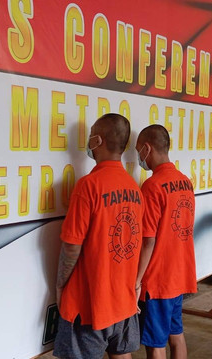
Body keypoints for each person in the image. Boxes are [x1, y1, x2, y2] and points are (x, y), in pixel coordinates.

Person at [54, 113, 144, 359]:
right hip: (123, 301)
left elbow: (72, 245)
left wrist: (61, 285)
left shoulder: (88, 186)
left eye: (91, 134)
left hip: (89, 302)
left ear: (97, 141)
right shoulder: (134, 188)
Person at [134, 125, 197, 359]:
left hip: (158, 279)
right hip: (180, 274)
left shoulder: (152, 186)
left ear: (147, 148)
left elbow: (148, 240)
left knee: (155, 343)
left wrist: (137, 280)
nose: (139, 157)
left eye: (139, 150)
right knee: (176, 334)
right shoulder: (185, 181)